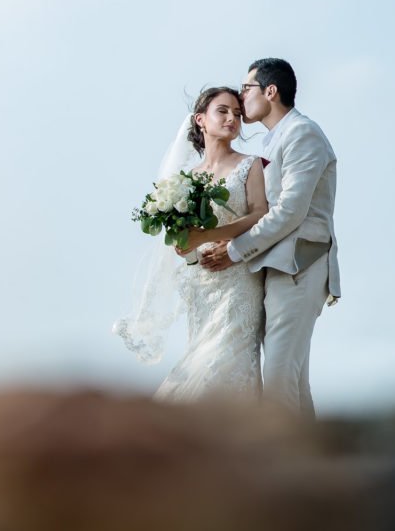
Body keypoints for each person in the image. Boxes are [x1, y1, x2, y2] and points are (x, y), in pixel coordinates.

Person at [194, 58, 341, 419]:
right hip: (277, 267)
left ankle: (286, 466)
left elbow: (290, 210)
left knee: (277, 377)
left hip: (299, 264)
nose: (242, 99)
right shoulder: (274, 140)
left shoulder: (301, 133)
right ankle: (309, 467)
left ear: (270, 91)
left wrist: (234, 250)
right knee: (292, 380)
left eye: (246, 89)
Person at [115, 87, 269, 402]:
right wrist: (183, 243)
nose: (232, 119)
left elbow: (261, 215)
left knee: (222, 360)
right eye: (223, 111)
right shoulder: (184, 179)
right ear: (200, 119)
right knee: (199, 352)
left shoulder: (250, 165)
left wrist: (209, 237)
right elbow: (181, 235)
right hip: (200, 283)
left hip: (239, 281)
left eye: (238, 114)